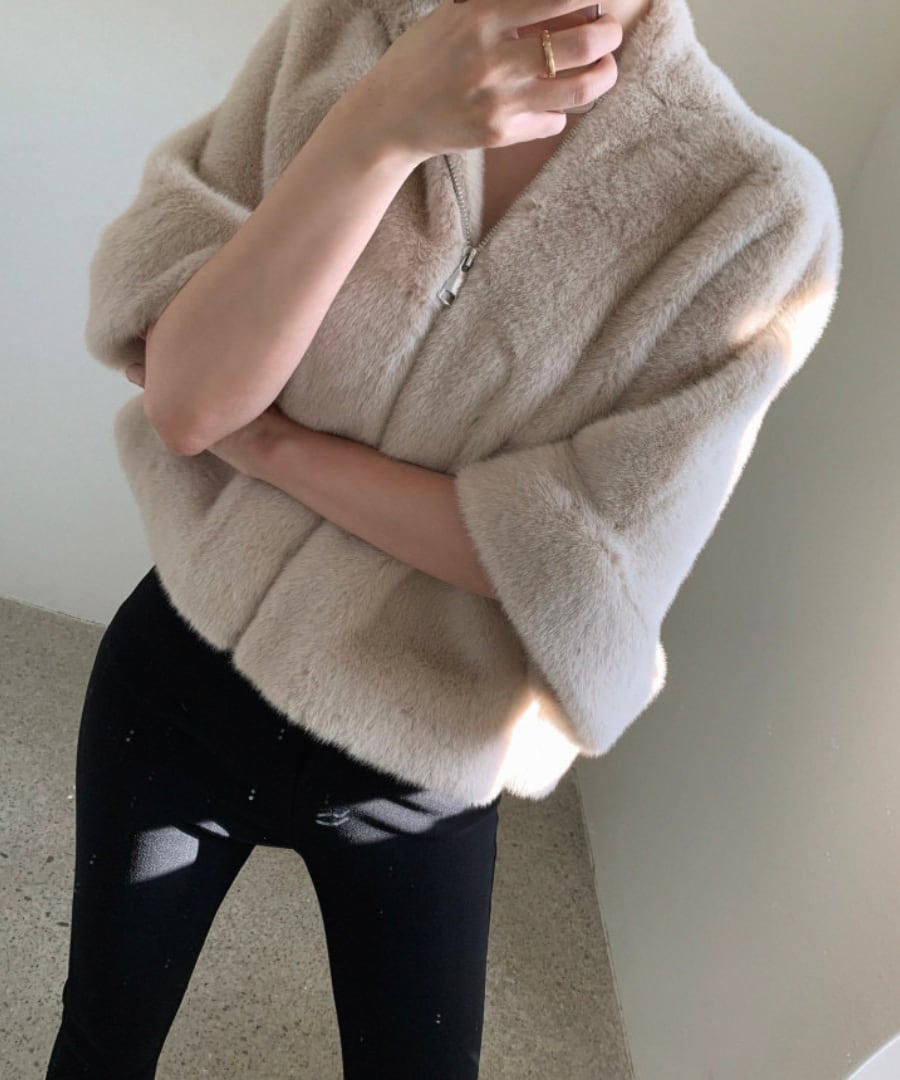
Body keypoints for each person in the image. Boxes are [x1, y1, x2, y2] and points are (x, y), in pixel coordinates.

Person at [46, 0, 842, 1075]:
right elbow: (189, 402)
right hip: (178, 681)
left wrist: (275, 448)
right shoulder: (350, 23)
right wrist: (379, 126)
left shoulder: (753, 211)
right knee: (98, 1046)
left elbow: (577, 567)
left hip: (415, 764)